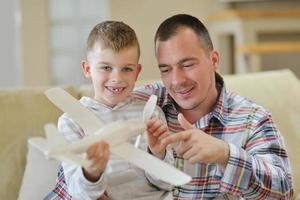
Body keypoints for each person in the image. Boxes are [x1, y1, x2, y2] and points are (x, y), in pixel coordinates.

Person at [133, 14, 293, 199]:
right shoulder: (143, 102)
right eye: (166, 70)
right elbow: (101, 106)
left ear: (214, 60)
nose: (177, 81)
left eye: (187, 64)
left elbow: (283, 192)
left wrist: (225, 155)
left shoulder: (253, 118)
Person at [45, 21, 174, 200]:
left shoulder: (152, 114)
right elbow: (78, 193)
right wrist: (91, 173)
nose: (117, 78)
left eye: (127, 69)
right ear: (87, 69)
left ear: (137, 72)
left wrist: (157, 153)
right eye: (106, 68)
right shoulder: (71, 121)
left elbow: (167, 183)